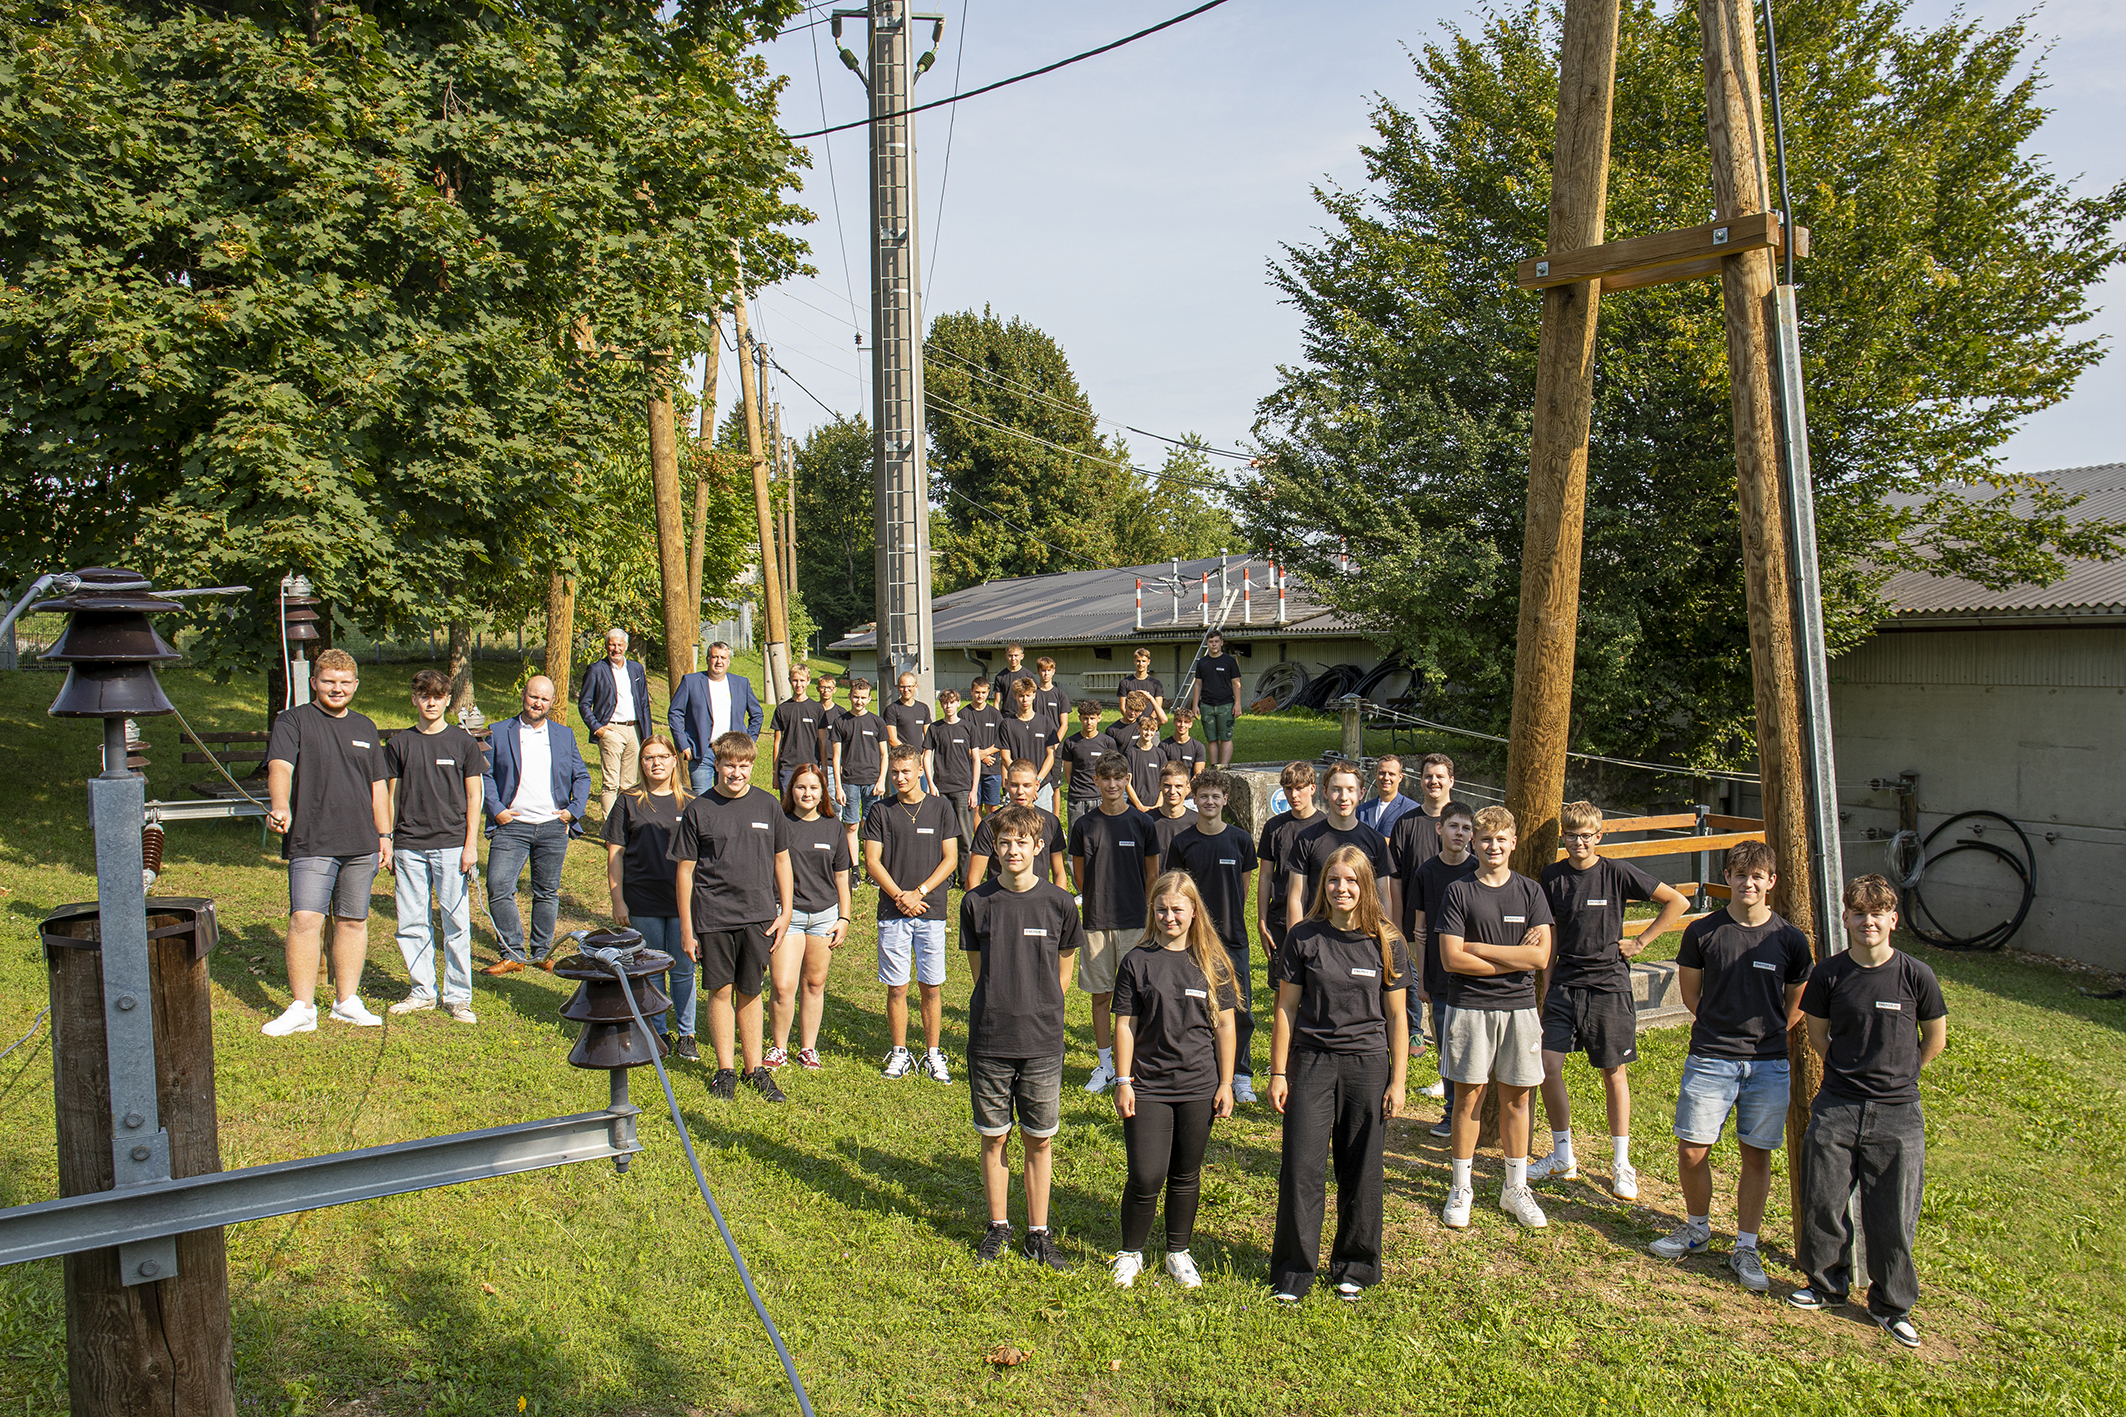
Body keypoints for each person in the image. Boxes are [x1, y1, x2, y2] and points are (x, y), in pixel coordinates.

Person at [1649, 839, 1813, 1293]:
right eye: (1740, 875)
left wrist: (1769, 1032)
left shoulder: (1789, 939)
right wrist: (1720, 1034)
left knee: (1755, 1155)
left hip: (1767, 1064)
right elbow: (1691, 995)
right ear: (1728, 878)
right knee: (1692, 1149)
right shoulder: (1703, 932)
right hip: (1710, 1058)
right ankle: (1697, 1229)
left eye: (1758, 876)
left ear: (1771, 882)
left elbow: (1796, 1003)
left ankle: (1745, 1246)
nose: (1749, 883)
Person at [1792, 873, 1948, 1349]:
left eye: (1877, 913)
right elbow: (1817, 1034)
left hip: (1898, 1114)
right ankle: (1826, 1285)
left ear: (1893, 920)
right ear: (1846, 919)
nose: (1868, 922)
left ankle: (1891, 1305)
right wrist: (1848, 1072)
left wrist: (1899, 1077)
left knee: (1893, 1213)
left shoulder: (1915, 975)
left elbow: (1935, 1038)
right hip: (1838, 1105)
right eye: (1859, 913)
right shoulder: (1830, 974)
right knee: (1823, 1199)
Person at [1266, 847, 1410, 1302]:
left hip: (1367, 1065)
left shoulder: (1387, 940)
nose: (1341, 889)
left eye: (1351, 880)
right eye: (1333, 880)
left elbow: (1397, 1018)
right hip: (1311, 1061)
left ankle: (1356, 1265)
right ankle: (1293, 1272)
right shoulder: (1304, 936)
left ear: (1366, 884)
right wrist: (1277, 1071)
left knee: (1361, 1168)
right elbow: (1286, 1008)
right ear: (1321, 884)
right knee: (1302, 1167)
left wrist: (1398, 1079)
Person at [1531, 801, 1688, 1198]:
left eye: (1587, 835)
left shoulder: (1616, 872)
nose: (1579, 842)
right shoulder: (1552, 877)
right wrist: (1547, 984)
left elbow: (1677, 902)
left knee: (1613, 1071)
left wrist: (1640, 942)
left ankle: (1622, 1162)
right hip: (1565, 983)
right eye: (1572, 835)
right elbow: (1547, 934)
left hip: (1609, 985)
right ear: (1563, 837)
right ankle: (1563, 1154)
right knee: (1547, 1067)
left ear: (1599, 836)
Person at [962, 805, 1084, 1271]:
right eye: (1004, 843)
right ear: (995, 848)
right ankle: (998, 1228)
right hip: (991, 1039)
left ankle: (1038, 1232)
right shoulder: (976, 903)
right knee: (994, 1137)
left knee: (1039, 1139)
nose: (1013, 851)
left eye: (1022, 843)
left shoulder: (1059, 904)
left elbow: (1064, 970)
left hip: (1042, 1041)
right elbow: (981, 975)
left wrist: (1042, 1006)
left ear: (1039, 847)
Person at [1110, 872, 1238, 1289]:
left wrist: (1225, 1082)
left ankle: (1177, 1252)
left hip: (1199, 1085)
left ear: (1193, 912)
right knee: (1146, 1174)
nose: (1169, 917)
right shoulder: (1137, 961)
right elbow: (1125, 1024)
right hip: (1147, 1085)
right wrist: (1123, 1080)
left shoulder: (1212, 963)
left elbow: (1225, 1027)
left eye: (1177, 909)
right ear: (1153, 911)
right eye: (1162, 909)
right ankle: (1131, 1253)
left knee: (1186, 1174)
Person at [260, 648, 394, 1036]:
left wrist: (384, 835)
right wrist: (280, 805)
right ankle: (302, 1007)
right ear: (314, 682)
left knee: (354, 921)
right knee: (305, 919)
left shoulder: (366, 727)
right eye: (328, 681)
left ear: (355, 685)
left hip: (362, 841)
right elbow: (280, 766)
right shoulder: (293, 721)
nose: (337, 689)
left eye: (344, 682)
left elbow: (378, 786)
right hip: (312, 838)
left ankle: (346, 1002)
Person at [1435, 805, 1556, 1230]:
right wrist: (1513, 958)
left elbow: (1540, 958)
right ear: (1474, 842)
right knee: (1468, 1098)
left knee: (1518, 1099)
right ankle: (1461, 1186)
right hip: (1470, 1006)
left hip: (1521, 1008)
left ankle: (1515, 1188)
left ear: (1513, 842)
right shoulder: (1459, 892)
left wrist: (1480, 948)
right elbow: (1451, 958)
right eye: (1486, 839)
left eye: (1501, 839)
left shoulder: (1530, 892)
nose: (1493, 846)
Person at [670, 731, 794, 1102]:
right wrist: (688, 929)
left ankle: (755, 1069)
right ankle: (725, 1071)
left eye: (743, 766)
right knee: (720, 991)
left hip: (758, 916)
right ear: (717, 765)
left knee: (751, 991)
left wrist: (785, 911)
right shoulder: (699, 809)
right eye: (729, 765)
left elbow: (782, 860)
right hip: (714, 917)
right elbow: (685, 871)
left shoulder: (768, 805)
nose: (736, 772)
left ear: (753, 765)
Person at [384, 668, 483, 1024]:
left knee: (456, 922)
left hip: (452, 845)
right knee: (411, 921)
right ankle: (422, 991)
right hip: (408, 844)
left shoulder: (463, 743)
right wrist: (388, 839)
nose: (431, 702)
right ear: (414, 699)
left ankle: (458, 997)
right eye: (424, 695)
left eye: (438, 696)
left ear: (447, 700)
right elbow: (390, 797)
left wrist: (470, 845)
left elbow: (475, 796)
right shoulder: (399, 744)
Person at [864, 742, 962, 1082]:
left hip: (931, 910)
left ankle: (933, 1053)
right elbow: (872, 861)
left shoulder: (941, 808)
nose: (900, 778)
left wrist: (918, 892)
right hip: (893, 912)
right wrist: (899, 896)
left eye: (906, 771)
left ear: (921, 770)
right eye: (894, 772)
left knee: (931, 986)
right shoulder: (880, 811)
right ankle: (900, 1051)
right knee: (896, 987)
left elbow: (950, 859)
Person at [481, 676, 591, 975]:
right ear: (523, 695)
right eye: (533, 697)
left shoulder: (563, 735)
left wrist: (573, 811)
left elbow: (582, 776)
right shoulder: (498, 731)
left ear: (552, 702)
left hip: (552, 825)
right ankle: (513, 953)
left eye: (544, 699)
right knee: (499, 886)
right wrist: (497, 810)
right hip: (512, 825)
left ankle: (542, 952)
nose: (537, 703)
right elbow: (484, 775)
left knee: (547, 891)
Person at [1162, 771, 1260, 1102]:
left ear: (1225, 800)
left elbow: (1243, 887)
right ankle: (1204, 1070)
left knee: (1240, 1009)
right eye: (1204, 796)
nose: (1210, 802)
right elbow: (1175, 891)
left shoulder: (1240, 840)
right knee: (1193, 1007)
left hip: (1232, 937)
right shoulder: (1182, 842)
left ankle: (1241, 1075)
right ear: (1195, 798)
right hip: (1190, 940)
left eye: (1216, 796)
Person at [1070, 757, 1161, 1093]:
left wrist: (1148, 911)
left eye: (1118, 778)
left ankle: (1137, 1060)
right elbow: (1080, 875)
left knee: (1139, 996)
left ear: (1128, 780)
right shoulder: (1084, 826)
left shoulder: (1142, 823)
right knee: (1101, 996)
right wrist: (1095, 898)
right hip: (1096, 922)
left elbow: (1152, 874)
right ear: (1096, 781)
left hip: (1136, 922)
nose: (1111, 785)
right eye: (1105, 779)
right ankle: (1105, 1062)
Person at [604, 735, 693, 1053]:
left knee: (683, 968)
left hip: (683, 902)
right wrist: (618, 899)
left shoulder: (691, 803)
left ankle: (687, 1034)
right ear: (641, 763)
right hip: (642, 899)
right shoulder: (628, 801)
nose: (656, 762)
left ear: (674, 761)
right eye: (648, 757)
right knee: (652, 967)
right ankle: (657, 1030)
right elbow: (615, 853)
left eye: (662, 756)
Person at [766, 764, 852, 1073]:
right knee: (783, 985)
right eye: (801, 787)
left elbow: (842, 876)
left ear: (822, 792)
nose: (807, 793)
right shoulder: (780, 823)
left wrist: (844, 917)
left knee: (814, 983)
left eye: (814, 788)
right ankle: (778, 1048)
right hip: (787, 914)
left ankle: (808, 1049)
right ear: (791, 790)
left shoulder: (833, 826)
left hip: (824, 915)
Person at [1404, 801, 1477, 1134]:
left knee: (1474, 1048)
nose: (1459, 833)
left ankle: (1474, 1114)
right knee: (1447, 1047)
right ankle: (1450, 1113)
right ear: (1439, 829)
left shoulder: (1479, 870)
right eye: (1453, 826)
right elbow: (1419, 929)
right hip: (1438, 976)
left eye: (1465, 828)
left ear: (1472, 835)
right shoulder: (1426, 872)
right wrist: (1421, 979)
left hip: (1475, 978)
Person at [1285, 764, 1393, 927]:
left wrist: (1385, 937)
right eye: (1336, 789)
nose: (1343, 797)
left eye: (1350, 789)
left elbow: (1384, 896)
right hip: (1317, 936)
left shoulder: (1375, 841)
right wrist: (1295, 942)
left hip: (1363, 937)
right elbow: (1296, 897)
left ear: (1361, 793)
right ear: (1325, 792)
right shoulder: (1307, 839)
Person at [1255, 761, 1321, 995]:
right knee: (1283, 988)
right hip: (1280, 920)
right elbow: (1264, 877)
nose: (1294, 795)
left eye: (1300, 788)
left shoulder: (1326, 827)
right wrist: (1262, 920)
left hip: (1319, 919)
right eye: (1288, 789)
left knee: (1317, 988)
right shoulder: (1274, 827)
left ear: (1312, 788)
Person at [668, 641, 765, 792]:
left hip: (732, 752)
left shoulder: (741, 683)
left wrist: (749, 741)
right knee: (702, 798)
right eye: (715, 657)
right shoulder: (691, 681)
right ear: (708, 659)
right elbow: (675, 713)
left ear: (728, 661)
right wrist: (683, 744)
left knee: (730, 796)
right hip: (701, 750)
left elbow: (757, 714)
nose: (719, 661)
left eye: (723, 658)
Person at [578, 628, 655, 819]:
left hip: (634, 730)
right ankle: (609, 830)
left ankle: (625, 826)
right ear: (606, 646)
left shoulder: (636, 669)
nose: (616, 648)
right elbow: (584, 704)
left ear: (626, 646)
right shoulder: (596, 669)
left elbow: (644, 703)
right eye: (612, 644)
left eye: (620, 644)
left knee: (629, 783)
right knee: (611, 783)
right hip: (611, 730)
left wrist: (647, 734)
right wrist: (598, 728)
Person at [967, 760, 1068, 889]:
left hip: (1039, 900)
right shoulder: (990, 824)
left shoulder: (1050, 822)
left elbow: (1059, 873)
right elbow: (973, 879)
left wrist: (1059, 904)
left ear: (1037, 785)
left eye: (1026, 785)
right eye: (1015, 785)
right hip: (999, 898)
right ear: (1006, 784)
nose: (1020, 791)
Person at [924, 689, 979, 886]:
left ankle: (965, 878)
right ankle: (946, 877)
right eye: (945, 703)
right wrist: (931, 784)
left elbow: (976, 760)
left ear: (958, 704)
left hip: (964, 789)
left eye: (952, 702)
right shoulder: (934, 729)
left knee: (965, 837)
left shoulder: (969, 728)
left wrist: (974, 790)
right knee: (943, 836)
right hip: (941, 789)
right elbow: (927, 756)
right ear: (941, 705)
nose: (948, 706)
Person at [830, 677, 887, 860]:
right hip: (849, 781)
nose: (859, 701)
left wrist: (881, 780)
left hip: (872, 782)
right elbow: (836, 757)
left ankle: (872, 866)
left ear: (869, 698)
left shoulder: (877, 722)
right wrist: (838, 786)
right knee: (852, 825)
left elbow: (885, 754)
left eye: (863, 698)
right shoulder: (840, 722)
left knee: (871, 826)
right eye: (856, 697)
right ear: (849, 696)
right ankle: (854, 867)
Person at [1386, 753, 1458, 877]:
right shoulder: (1404, 824)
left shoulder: (1468, 823)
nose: (1434, 781)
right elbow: (1395, 877)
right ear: (1421, 781)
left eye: (1440, 776)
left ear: (1451, 781)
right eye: (1428, 776)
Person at [998, 676, 1059, 811]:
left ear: (1034, 696)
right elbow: (1005, 757)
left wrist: (1037, 782)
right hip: (1017, 788)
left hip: (1041, 788)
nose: (1025, 700)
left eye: (1028, 695)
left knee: (1041, 828)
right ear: (1014, 696)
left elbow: (1051, 755)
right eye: (1021, 696)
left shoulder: (1046, 722)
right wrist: (1023, 783)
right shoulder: (1006, 724)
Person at [1187, 629, 1246, 769]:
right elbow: (1198, 684)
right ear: (1207, 643)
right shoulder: (1202, 662)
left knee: (1225, 737)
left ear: (1221, 643)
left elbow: (1236, 683)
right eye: (1211, 642)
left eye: (1216, 642)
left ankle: (1224, 767)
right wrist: (1195, 705)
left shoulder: (1229, 661)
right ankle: (1214, 766)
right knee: (1211, 738)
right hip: (1207, 705)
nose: (1214, 644)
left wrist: (1237, 704)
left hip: (1226, 704)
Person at [1056, 700, 1113, 833]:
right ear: (1080, 718)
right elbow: (1068, 774)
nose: (1089, 722)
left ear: (1099, 718)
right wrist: (1077, 790)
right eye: (1086, 718)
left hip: (1099, 797)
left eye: (1092, 718)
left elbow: (1111, 771)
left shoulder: (1107, 742)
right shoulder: (1071, 743)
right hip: (1077, 799)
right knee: (1075, 837)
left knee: (1099, 836)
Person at [770, 662, 825, 790]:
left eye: (802, 680)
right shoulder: (782, 709)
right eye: (795, 680)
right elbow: (777, 742)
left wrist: (824, 770)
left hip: (811, 766)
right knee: (787, 807)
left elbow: (822, 741)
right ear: (790, 681)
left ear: (808, 681)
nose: (798, 684)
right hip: (788, 767)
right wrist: (775, 772)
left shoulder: (817, 709)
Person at [964, 676, 1006, 818]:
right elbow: (961, 744)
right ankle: (978, 840)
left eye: (983, 692)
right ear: (971, 691)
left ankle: (991, 839)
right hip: (970, 769)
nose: (980, 695)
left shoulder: (995, 714)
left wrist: (984, 754)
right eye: (977, 692)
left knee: (992, 808)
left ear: (988, 692)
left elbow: (1002, 741)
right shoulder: (963, 714)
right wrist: (978, 756)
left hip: (992, 769)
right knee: (975, 807)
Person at [1146, 759, 1199, 859]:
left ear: (1188, 788)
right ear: (1159, 786)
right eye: (1167, 786)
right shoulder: (1147, 821)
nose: (1172, 791)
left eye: (1178, 786)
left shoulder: (1197, 822)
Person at [1356, 754, 1416, 836]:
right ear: (1375, 774)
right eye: (1382, 773)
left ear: (1400, 777)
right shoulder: (1361, 811)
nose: (1386, 778)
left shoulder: (1411, 810)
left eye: (1391, 774)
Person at [1121, 713, 1169, 814]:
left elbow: (1165, 781)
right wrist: (1139, 806)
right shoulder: (1130, 753)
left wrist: (1159, 804)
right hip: (1135, 807)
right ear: (1138, 729)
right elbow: (1127, 783)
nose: (1148, 733)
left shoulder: (1160, 754)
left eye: (1152, 730)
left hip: (1156, 807)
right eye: (1145, 729)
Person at [882, 672, 933, 758]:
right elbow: (892, 740)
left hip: (919, 760)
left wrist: (923, 756)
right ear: (897, 687)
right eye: (902, 687)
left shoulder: (923, 708)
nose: (906, 690)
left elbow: (928, 737)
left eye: (909, 686)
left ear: (916, 686)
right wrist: (911, 756)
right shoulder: (892, 709)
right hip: (900, 759)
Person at [1117, 646, 1167, 726]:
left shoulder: (1156, 683)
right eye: (1138, 661)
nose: (1141, 664)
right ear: (1134, 661)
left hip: (1150, 726)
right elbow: (1123, 708)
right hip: (1131, 725)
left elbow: (1157, 708)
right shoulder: (1125, 683)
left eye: (1143, 661)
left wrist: (1146, 723)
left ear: (1148, 662)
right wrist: (1133, 723)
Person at [1028, 657, 1071, 737]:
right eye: (1043, 670)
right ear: (1038, 672)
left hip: (1054, 740)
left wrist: (1055, 743)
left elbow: (1064, 725)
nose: (1046, 673)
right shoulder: (1032, 694)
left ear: (1053, 671)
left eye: (1049, 670)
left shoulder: (1061, 695)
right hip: (1035, 740)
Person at [1163, 708, 1207, 780]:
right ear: (1174, 722)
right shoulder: (1164, 745)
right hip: (1170, 786)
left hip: (1190, 787)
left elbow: (1198, 774)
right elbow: (1163, 772)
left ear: (1191, 724)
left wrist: (1186, 789)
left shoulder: (1198, 747)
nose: (1182, 725)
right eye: (1179, 721)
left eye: (1186, 722)